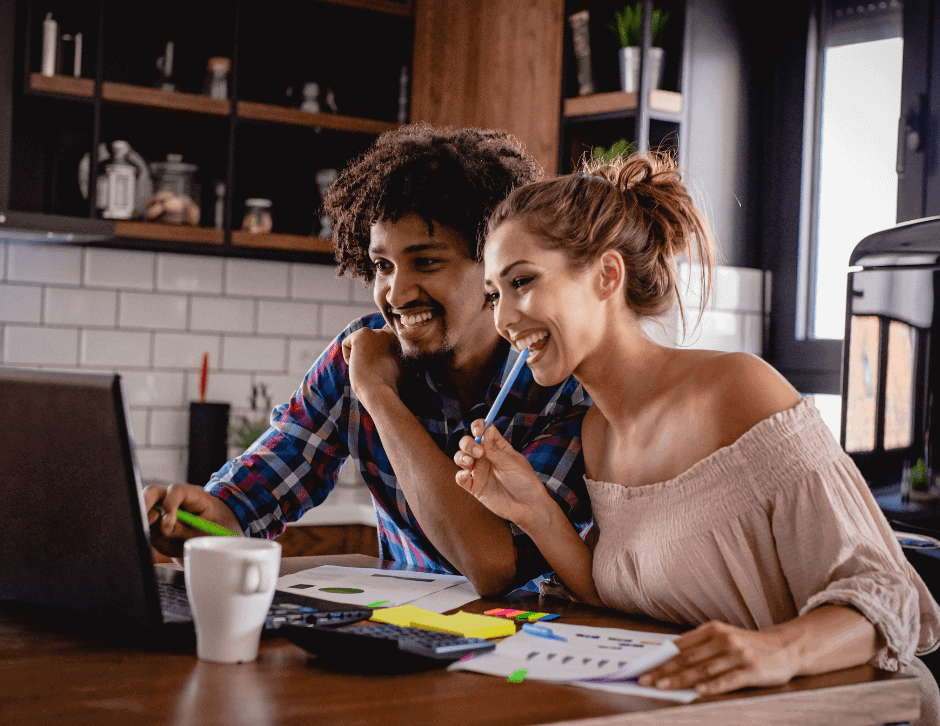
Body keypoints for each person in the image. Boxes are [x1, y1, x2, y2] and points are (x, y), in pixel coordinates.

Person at [453, 151, 940, 717]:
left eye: (522, 282)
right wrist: (533, 509)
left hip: (852, 707)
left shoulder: (736, 391)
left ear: (607, 275)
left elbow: (892, 598)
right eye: (494, 294)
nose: (503, 319)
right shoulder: (599, 433)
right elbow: (618, 591)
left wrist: (775, 650)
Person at [144, 124, 592, 596]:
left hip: (531, 632)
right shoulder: (358, 355)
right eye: (383, 266)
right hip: (403, 627)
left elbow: (495, 565)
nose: (395, 294)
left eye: (426, 262)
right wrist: (201, 522)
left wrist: (379, 396)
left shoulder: (559, 382)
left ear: (493, 266)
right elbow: (251, 499)